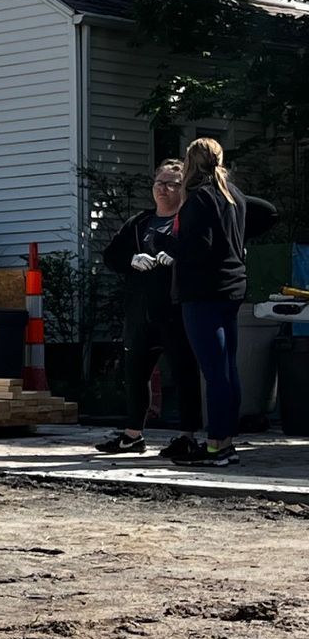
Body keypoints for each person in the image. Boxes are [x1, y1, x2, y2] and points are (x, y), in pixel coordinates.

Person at [169, 138, 278, 466]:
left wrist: (163, 244)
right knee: (228, 368)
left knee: (214, 371)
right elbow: (266, 213)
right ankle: (226, 442)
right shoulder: (234, 195)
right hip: (232, 288)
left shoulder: (198, 199)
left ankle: (215, 444)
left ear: (189, 163)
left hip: (202, 293)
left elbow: (196, 248)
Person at [96, 160, 203, 458]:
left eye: (171, 184)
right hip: (140, 311)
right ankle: (133, 435)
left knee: (184, 373)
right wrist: (131, 260)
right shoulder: (139, 222)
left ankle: (187, 435)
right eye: (159, 182)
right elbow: (111, 255)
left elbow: (202, 255)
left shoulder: (188, 221)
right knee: (135, 374)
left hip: (176, 310)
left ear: (183, 188)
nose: (163, 189)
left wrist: (178, 261)